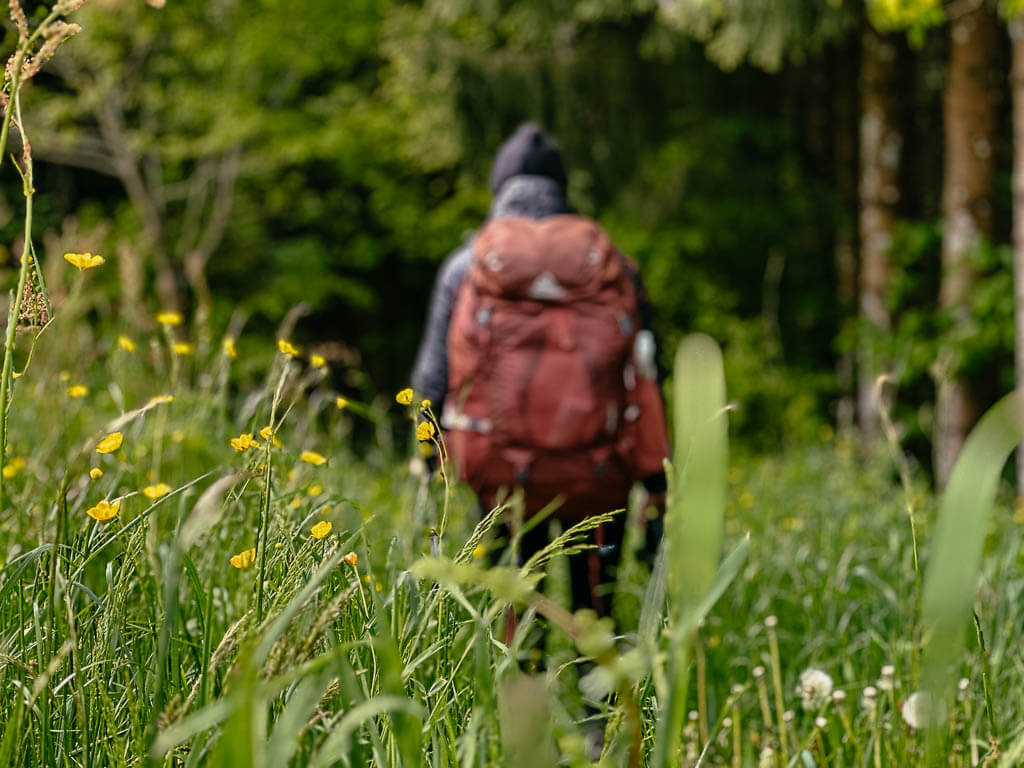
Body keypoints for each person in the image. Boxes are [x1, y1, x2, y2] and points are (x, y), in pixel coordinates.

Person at [411, 123, 667, 618]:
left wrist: (427, 457)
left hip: (501, 475)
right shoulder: (612, 267)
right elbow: (651, 370)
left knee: (516, 609)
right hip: (599, 474)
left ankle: (524, 686)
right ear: (562, 190)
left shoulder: (467, 265)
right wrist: (655, 481)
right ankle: (603, 693)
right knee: (597, 614)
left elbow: (432, 380)